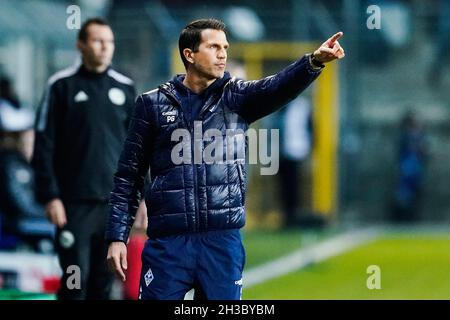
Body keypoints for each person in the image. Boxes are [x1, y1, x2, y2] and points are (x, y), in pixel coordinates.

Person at [106, 18, 345, 300]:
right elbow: (128, 176)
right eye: (213, 46)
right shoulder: (151, 105)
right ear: (189, 54)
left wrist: (313, 63)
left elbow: (276, 87)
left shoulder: (236, 97)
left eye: (225, 47)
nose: (223, 54)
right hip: (169, 244)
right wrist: (117, 236)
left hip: (221, 242)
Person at [32, 18, 136, 299]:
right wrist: (50, 196)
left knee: (103, 286)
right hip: (73, 206)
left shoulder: (125, 87)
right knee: (75, 281)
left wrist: (144, 198)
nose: (105, 47)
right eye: (97, 41)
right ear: (81, 45)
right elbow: (43, 145)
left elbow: (138, 148)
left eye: (109, 42)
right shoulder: (61, 86)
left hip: (114, 208)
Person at [391, 111, 428, 222]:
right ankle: (401, 219)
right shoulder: (404, 137)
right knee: (403, 195)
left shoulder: (421, 137)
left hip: (417, 170)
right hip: (406, 170)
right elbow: (399, 153)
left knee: (416, 194)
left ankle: (414, 218)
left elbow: (425, 154)